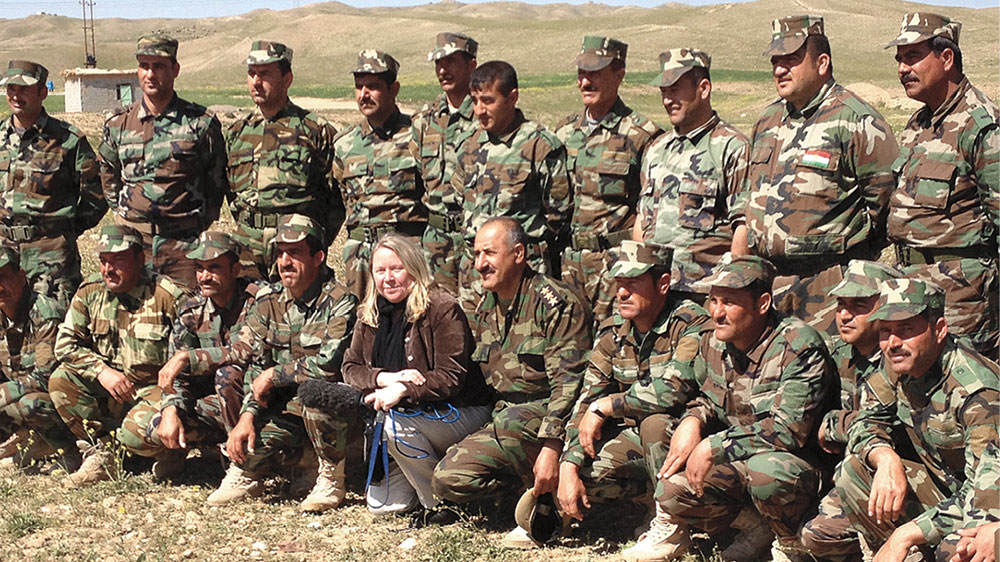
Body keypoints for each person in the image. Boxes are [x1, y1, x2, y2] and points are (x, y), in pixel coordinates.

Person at [622, 256, 833, 562]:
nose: (717, 313)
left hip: (795, 466)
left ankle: (790, 544)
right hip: (738, 460)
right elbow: (709, 396)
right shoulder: (714, 341)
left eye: (729, 302)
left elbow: (789, 431)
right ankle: (748, 526)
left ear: (762, 304)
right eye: (713, 300)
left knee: (767, 472)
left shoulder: (799, 346)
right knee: (670, 487)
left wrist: (713, 445)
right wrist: (693, 420)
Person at [432, 217, 591, 549]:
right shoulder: (485, 307)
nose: (479, 264)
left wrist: (552, 446)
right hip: (506, 421)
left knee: (510, 419)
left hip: (553, 418)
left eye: (489, 253)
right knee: (447, 480)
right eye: (476, 255)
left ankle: (550, 505)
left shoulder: (555, 304)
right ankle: (523, 495)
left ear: (518, 253)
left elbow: (570, 386)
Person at [742, 15, 898, 335]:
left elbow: (884, 206)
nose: (779, 69)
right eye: (775, 61)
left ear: (822, 63)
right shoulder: (766, 121)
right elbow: (750, 198)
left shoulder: (857, 120)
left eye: (791, 60)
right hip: (767, 286)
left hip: (828, 289)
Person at [324, 234, 492, 523]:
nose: (388, 278)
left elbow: (452, 377)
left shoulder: (441, 307)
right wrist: (387, 378)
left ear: (414, 268)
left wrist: (405, 388)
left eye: (396, 268)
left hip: (459, 411)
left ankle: (441, 505)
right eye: (380, 270)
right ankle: (426, 469)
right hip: (411, 419)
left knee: (394, 425)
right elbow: (349, 367)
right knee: (384, 506)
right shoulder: (370, 312)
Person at [835, 278, 999, 562]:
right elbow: (866, 421)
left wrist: (908, 533)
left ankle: (908, 548)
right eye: (886, 331)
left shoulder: (979, 395)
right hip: (946, 488)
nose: (893, 343)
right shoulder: (899, 360)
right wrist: (884, 457)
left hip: (987, 503)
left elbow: (983, 503)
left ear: (939, 330)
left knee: (958, 550)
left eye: (907, 329)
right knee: (852, 471)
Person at [207, 215, 357, 509]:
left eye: (295, 253)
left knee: (316, 392)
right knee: (247, 447)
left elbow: (326, 366)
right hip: (285, 407)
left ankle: (331, 476)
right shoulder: (268, 300)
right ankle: (260, 470)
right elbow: (252, 363)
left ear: (318, 257)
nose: (285, 261)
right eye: (279, 253)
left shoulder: (341, 300)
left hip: (334, 410)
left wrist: (275, 374)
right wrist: (248, 416)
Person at [557, 240, 708, 530]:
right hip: (635, 437)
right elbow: (587, 399)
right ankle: (650, 500)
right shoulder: (614, 329)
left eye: (634, 283)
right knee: (581, 478)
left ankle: (674, 521)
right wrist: (568, 464)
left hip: (685, 436)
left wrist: (607, 406)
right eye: (619, 283)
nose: (622, 292)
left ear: (663, 284)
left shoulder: (690, 322)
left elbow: (672, 389)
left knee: (654, 424)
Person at [885, 12, 999, 358]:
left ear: (946, 58)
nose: (903, 69)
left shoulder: (982, 127)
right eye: (899, 59)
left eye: (912, 56)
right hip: (912, 291)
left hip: (962, 303)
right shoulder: (919, 123)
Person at [49, 225, 191, 487]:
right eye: (103, 261)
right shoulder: (91, 291)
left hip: (156, 390)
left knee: (134, 434)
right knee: (61, 381)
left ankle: (169, 451)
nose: (108, 269)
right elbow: (66, 345)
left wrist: (173, 404)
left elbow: (189, 357)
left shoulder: (168, 295)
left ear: (140, 259)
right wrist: (102, 371)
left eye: (118, 261)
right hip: (112, 386)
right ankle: (104, 454)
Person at [115, 231, 259, 479]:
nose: (204, 276)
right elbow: (177, 376)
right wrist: (171, 410)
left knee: (227, 375)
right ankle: (187, 450)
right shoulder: (191, 310)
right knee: (143, 428)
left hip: (253, 400)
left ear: (235, 269)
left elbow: (246, 351)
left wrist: (188, 358)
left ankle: (247, 465)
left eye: (214, 267)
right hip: (211, 403)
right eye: (199, 268)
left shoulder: (257, 301)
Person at [97, 34, 228, 288]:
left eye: (159, 66)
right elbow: (108, 172)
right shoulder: (118, 123)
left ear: (175, 70)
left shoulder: (200, 123)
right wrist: (123, 211)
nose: (150, 74)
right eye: (144, 66)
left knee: (188, 318)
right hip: (132, 245)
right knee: (133, 318)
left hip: (184, 246)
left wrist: (198, 222)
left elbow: (216, 180)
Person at [554, 36, 662, 324]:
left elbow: (649, 211)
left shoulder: (643, 135)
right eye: (582, 73)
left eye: (595, 73)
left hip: (614, 264)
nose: (586, 82)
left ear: (619, 75)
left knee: (615, 346)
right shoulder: (563, 132)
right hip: (569, 264)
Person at [799, 260, 903, 561]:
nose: (844, 315)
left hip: (891, 470)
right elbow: (803, 415)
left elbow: (893, 427)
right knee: (813, 532)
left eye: (858, 305)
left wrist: (834, 423)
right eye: (841, 305)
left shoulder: (904, 356)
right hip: (843, 465)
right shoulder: (834, 354)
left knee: (821, 531)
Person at [453, 61, 572, 316]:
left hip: (522, 273)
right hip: (474, 277)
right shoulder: (468, 145)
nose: (479, 110)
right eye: (474, 101)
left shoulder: (539, 146)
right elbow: (459, 201)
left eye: (487, 101)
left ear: (512, 97)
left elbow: (558, 214)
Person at [634, 48, 749, 304]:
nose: (667, 100)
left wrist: (731, 295)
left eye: (675, 89)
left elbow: (744, 227)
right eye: (664, 92)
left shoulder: (732, 147)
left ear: (704, 88)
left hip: (703, 295)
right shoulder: (656, 149)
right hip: (656, 294)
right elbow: (642, 220)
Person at [226, 40, 343, 280]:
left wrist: (314, 241)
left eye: (265, 74)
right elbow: (228, 191)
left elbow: (337, 197)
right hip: (247, 248)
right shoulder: (237, 132)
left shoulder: (314, 130)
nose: (256, 82)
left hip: (295, 248)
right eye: (252, 73)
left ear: (287, 79)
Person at [0, 60, 107, 308]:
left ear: (42, 92)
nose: (16, 95)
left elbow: (96, 196)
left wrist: (65, 229)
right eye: (11, 89)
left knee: (52, 332)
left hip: (51, 256)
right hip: (5, 255)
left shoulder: (68, 140)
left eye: (24, 89)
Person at [333, 49, 427, 300]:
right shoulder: (343, 144)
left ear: (393, 89)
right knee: (364, 325)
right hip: (360, 257)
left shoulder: (417, 135)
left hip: (406, 253)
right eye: (359, 87)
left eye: (373, 86)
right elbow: (342, 199)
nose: (364, 94)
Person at [0, 245, 76, 470]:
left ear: (22, 277)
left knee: (31, 404)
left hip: (53, 402)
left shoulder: (45, 314)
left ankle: (64, 448)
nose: (0, 287)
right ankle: (25, 440)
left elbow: (44, 377)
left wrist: (3, 394)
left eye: (4, 277)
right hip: (13, 398)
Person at [415, 32, 480, 295]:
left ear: (471, 65)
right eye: (438, 63)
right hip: (435, 242)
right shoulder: (424, 121)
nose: (443, 70)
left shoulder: (484, 116)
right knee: (438, 317)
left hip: (473, 238)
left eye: (451, 62)